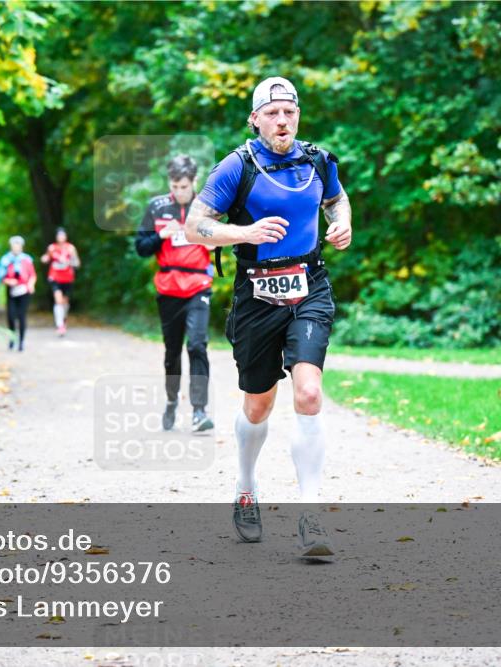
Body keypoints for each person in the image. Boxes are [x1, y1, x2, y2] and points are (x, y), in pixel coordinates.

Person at [184, 77, 353, 557]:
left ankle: (311, 514)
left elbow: (336, 199)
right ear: (255, 118)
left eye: (290, 112)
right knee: (258, 405)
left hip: (309, 286)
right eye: (273, 113)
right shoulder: (236, 167)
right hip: (257, 294)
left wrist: (341, 223)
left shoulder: (318, 159)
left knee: (309, 391)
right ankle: (245, 486)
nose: (283, 120)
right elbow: (194, 226)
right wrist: (245, 231)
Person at [135, 155, 215, 434]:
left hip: (198, 285)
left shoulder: (208, 206)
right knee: (172, 353)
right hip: (168, 287)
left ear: (194, 181)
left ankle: (199, 411)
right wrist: (161, 236)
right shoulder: (157, 207)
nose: (179, 192)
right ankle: (171, 401)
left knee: (197, 345)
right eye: (174, 186)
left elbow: (223, 238)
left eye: (183, 186)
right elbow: (141, 247)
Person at [0, 236, 37, 352]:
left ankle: (21, 342)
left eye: (18, 245)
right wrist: (8, 281)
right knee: (11, 316)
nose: (16, 247)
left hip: (24, 291)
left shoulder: (27, 260)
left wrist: (31, 284)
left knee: (22, 316)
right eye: (14, 245)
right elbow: (1, 276)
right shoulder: (6, 260)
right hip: (11, 291)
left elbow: (32, 275)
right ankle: (12, 339)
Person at [40, 228, 81, 336]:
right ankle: (60, 325)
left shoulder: (70, 248)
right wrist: (44, 258)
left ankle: (64, 318)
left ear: (66, 237)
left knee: (65, 302)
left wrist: (70, 262)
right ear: (56, 237)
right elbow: (46, 258)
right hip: (55, 277)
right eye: (59, 235)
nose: (61, 237)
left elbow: (77, 262)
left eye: (63, 235)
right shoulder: (52, 248)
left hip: (67, 278)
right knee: (58, 301)